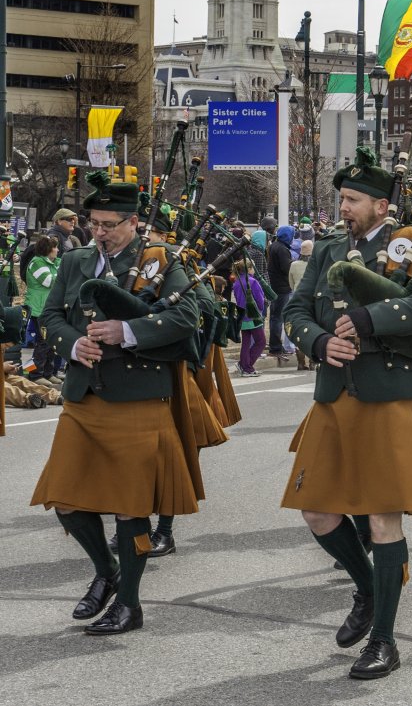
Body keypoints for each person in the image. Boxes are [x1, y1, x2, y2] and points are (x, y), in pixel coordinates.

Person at [281, 148, 412, 680]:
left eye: (353, 200)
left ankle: (383, 639)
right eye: (342, 198)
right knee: (317, 511)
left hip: (392, 394)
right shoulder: (329, 248)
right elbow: (294, 310)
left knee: (383, 517)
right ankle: (366, 587)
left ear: (382, 206)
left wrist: (367, 319)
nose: (344, 207)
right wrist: (316, 342)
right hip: (335, 394)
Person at [30, 170, 201, 635]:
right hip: (84, 395)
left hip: (137, 396)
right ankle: (108, 572)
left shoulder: (158, 260)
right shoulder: (76, 261)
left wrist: (126, 332)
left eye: (108, 224)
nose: (99, 233)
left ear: (131, 222)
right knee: (64, 499)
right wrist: (71, 345)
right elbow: (49, 315)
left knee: (129, 507)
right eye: (94, 223)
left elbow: (188, 316)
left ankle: (129, 604)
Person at [23, 235, 62, 384]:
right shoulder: (37, 263)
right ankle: (35, 374)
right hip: (39, 308)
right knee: (42, 342)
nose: (58, 250)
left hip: (50, 308)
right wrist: (61, 275)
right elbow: (49, 281)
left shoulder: (54, 263)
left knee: (51, 342)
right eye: (55, 247)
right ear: (48, 249)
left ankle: (48, 372)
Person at [267, 224, 295, 363]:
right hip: (282, 287)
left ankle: (276, 346)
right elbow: (287, 268)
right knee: (278, 318)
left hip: (275, 285)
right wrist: (294, 264)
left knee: (275, 317)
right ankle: (276, 347)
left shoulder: (274, 245)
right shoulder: (283, 249)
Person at [233, 261, 266, 377]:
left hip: (242, 316)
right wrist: (262, 309)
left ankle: (244, 365)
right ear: (249, 269)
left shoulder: (236, 283)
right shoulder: (253, 282)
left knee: (246, 343)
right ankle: (246, 365)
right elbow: (260, 300)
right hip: (254, 316)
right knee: (261, 342)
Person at [288, 239, 315, 371]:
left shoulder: (294, 265)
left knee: (299, 327)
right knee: (313, 328)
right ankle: (313, 362)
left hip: (298, 299)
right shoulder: (316, 265)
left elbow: (291, 283)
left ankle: (300, 362)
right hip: (313, 299)